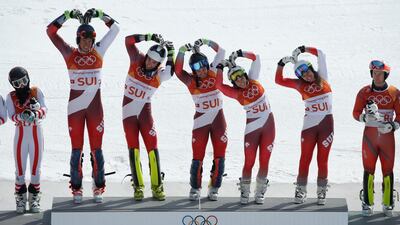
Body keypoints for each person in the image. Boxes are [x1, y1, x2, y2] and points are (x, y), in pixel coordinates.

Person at [47, 8, 119, 203]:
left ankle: (98, 187)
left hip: (96, 110)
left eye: (90, 40)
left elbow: (116, 29)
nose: (88, 44)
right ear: (78, 39)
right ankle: (76, 189)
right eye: (84, 40)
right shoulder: (69, 53)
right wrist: (67, 16)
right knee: (76, 150)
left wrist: (101, 14)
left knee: (97, 150)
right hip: (75, 110)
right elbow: (50, 32)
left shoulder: (99, 51)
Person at [275, 46, 333, 205]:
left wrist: (303, 49)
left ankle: (321, 191)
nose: (306, 76)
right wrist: (281, 64)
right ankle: (300, 190)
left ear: (311, 69)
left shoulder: (323, 77)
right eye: (301, 75)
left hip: (326, 125)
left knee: (323, 159)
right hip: (309, 127)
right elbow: (278, 80)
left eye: (307, 71)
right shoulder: (299, 85)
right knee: (305, 158)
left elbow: (321, 54)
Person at [215, 50, 275, 204]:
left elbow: (256, 57)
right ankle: (245, 191)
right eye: (237, 80)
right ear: (234, 83)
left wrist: (241, 53)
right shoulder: (235, 93)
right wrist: (220, 67)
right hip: (252, 129)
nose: (241, 80)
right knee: (249, 161)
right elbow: (218, 84)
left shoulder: (254, 79)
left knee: (264, 160)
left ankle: (260, 191)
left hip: (268, 126)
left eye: (242, 76)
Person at [123, 33, 175, 201]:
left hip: (145, 115)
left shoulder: (159, 74)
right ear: (146, 57)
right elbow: (128, 41)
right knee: (134, 150)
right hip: (128, 115)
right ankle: (138, 186)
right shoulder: (136, 60)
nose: (150, 64)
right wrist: (148, 36)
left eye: (154, 62)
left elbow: (170, 71)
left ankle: (157, 186)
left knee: (152, 149)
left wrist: (172, 53)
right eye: (149, 60)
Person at [175, 38, 227, 201]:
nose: (201, 70)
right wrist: (181, 51)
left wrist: (206, 42)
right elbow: (177, 71)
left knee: (219, 155)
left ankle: (214, 187)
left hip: (218, 120)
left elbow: (222, 52)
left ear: (207, 64)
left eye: (203, 65)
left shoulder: (213, 70)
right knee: (198, 156)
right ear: (192, 69)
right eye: (196, 68)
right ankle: (195, 187)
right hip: (201, 122)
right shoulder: (190, 80)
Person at [352, 60, 400, 217]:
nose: (377, 76)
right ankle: (367, 202)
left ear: (386, 74)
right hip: (370, 137)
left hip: (387, 138)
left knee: (388, 170)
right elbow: (355, 112)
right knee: (368, 170)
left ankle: (388, 203)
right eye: (374, 73)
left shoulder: (394, 92)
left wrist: (393, 126)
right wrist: (364, 117)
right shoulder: (364, 92)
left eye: (380, 73)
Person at [5, 67, 47, 214]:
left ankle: (34, 197)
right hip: (21, 134)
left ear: (28, 78)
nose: (22, 85)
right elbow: (11, 115)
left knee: (36, 169)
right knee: (20, 170)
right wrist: (22, 116)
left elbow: (44, 109)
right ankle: (21, 197)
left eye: (23, 81)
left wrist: (35, 113)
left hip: (36, 132)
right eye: (17, 83)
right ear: (13, 85)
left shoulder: (36, 91)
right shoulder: (10, 96)